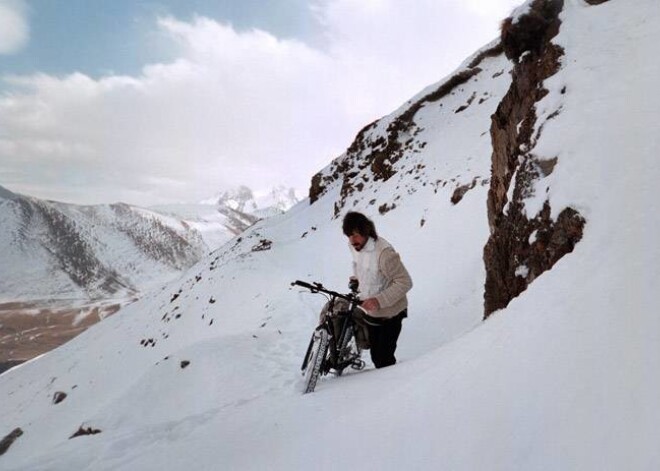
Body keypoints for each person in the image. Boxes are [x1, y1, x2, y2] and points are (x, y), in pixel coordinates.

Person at [342, 211, 412, 368]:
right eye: (349, 236)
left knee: (383, 360)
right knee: (376, 357)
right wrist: (358, 278)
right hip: (371, 312)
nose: (352, 240)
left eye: (356, 234)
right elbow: (359, 264)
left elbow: (405, 282)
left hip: (391, 314)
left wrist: (378, 300)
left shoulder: (384, 253)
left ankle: (401, 386)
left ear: (366, 231)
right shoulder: (355, 246)